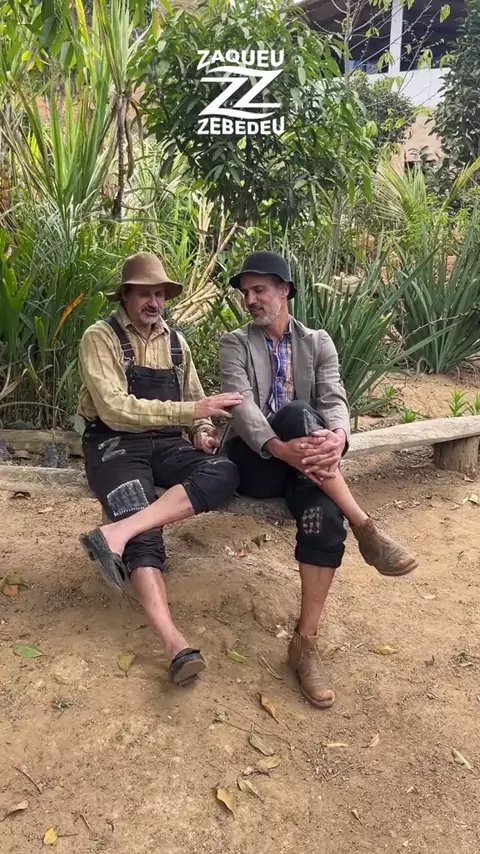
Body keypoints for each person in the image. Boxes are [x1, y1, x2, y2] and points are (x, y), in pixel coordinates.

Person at [218, 250, 417, 710]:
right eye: (246, 292)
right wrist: (279, 446)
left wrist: (339, 437)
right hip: (256, 462)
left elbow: (335, 398)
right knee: (296, 413)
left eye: (259, 289)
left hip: (309, 469)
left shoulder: (318, 342)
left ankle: (304, 645)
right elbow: (241, 407)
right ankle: (365, 526)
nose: (250, 299)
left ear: (284, 290)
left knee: (324, 520)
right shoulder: (235, 343)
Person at [77, 252, 242, 686]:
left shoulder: (176, 342)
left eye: (160, 294)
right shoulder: (101, 337)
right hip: (114, 444)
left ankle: (116, 533)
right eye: (145, 294)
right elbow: (114, 409)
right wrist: (191, 411)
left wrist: (202, 431)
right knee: (145, 532)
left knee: (224, 472)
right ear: (126, 296)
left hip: (168, 443)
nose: (154, 302)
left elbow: (195, 401)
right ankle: (174, 644)